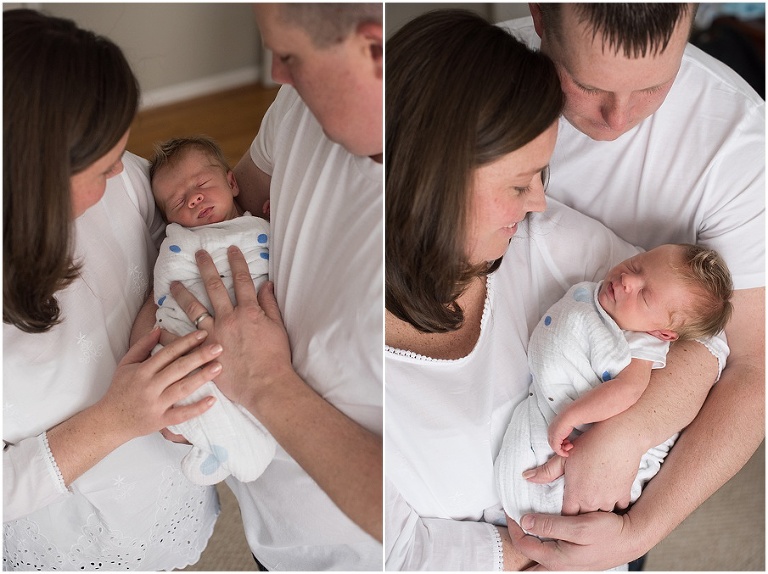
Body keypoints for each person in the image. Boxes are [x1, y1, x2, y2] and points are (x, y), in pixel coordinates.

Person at [498, 5, 764, 569]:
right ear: (541, 17)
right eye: (589, 85)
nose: (618, 119)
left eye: (652, 86)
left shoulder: (740, 145)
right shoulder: (477, 80)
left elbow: (754, 370)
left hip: (603, 488)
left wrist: (638, 529)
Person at [166, 3, 384, 570]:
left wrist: (263, 381)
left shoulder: (449, 203)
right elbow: (226, 202)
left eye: (289, 56)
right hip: (277, 534)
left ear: (373, 46)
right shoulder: (299, 106)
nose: (277, 75)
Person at [3, 9, 222, 570]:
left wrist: (166, 337)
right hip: (73, 521)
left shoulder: (125, 178)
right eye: (102, 169)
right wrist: (117, 418)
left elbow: (160, 241)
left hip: (168, 474)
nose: (123, 173)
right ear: (34, 181)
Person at [496, 244, 733, 526]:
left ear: (663, 333)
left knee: (541, 486)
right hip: (541, 403)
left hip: (577, 425)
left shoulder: (642, 343)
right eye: (636, 265)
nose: (627, 281)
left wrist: (573, 415)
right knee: (512, 472)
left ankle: (555, 488)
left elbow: (627, 391)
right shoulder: (597, 295)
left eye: (644, 297)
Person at [130, 136, 275, 486]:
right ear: (169, 221)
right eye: (179, 201)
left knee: (252, 401)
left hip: (253, 335)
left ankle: (221, 442)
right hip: (190, 335)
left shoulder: (262, 227)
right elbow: (166, 291)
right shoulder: (178, 244)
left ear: (232, 182)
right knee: (184, 378)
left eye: (202, 184)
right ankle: (229, 443)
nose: (193, 197)